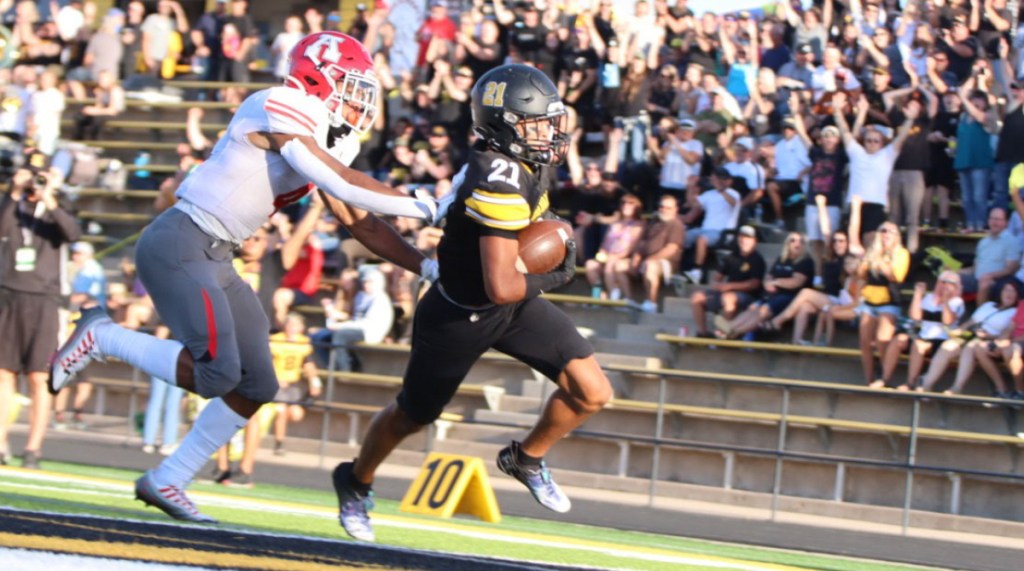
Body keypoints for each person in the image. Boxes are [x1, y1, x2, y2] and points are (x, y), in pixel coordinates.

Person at [49, 31, 439, 523]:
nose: (358, 98)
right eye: (349, 83)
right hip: (181, 243)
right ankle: (103, 335)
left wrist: (425, 266)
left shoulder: (325, 131)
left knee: (256, 386)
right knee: (217, 375)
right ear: (318, 76)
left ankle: (169, 478)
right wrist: (426, 205)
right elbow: (341, 183)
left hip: (216, 255)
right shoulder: (277, 102)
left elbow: (356, 218)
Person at [330, 64, 612, 542]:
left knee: (593, 392)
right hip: (460, 312)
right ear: (506, 127)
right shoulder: (497, 177)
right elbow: (503, 282)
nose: (550, 131)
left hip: (510, 307)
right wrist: (558, 274)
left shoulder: (526, 160)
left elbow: (516, 262)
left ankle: (525, 459)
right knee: (412, 416)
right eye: (538, 122)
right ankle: (355, 481)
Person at [0, 151, 81, 468]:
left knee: (39, 375)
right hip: (9, 295)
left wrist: (49, 197)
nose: (34, 180)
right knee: (4, 374)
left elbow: (72, 233)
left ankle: (33, 447)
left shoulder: (58, 207)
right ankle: (2, 443)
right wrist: (14, 192)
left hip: (46, 300)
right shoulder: (12, 205)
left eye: (39, 174)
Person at [917, 282, 1020, 394]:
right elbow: (971, 321)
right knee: (948, 345)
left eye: (1012, 291)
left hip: (989, 341)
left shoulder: (1015, 312)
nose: (1009, 293)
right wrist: (959, 331)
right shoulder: (988, 305)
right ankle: (927, 384)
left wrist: (987, 336)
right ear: (1000, 292)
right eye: (1006, 290)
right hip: (971, 335)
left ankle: (957, 387)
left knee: (970, 348)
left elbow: (1008, 334)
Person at [875, 272, 965, 389]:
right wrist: (917, 295)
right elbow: (915, 316)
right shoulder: (929, 298)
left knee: (919, 345)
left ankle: (911, 383)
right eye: (942, 282)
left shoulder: (957, 302)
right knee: (899, 339)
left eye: (950, 283)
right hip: (923, 335)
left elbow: (948, 321)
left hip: (941, 340)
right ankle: (884, 378)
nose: (944, 286)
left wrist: (945, 301)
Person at [718, 232, 814, 339]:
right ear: (787, 244)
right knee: (753, 308)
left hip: (790, 297)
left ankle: (733, 332)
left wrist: (775, 282)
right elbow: (769, 276)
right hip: (773, 295)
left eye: (801, 241)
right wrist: (768, 283)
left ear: (805, 245)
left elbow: (796, 282)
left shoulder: (805, 261)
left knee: (763, 310)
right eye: (793, 240)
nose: (797, 243)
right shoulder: (781, 259)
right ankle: (729, 327)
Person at [855, 221, 911, 386]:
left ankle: (884, 376)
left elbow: (896, 276)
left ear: (897, 236)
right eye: (883, 231)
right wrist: (870, 257)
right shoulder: (873, 252)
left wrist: (880, 260)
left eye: (890, 231)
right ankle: (869, 379)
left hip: (889, 301)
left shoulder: (901, 253)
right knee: (864, 342)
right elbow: (861, 274)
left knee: (882, 339)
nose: (886, 234)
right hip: (870, 300)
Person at [688, 225, 766, 338]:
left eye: (748, 237)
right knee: (697, 297)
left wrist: (729, 286)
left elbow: (754, 284)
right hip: (727, 292)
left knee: (728, 297)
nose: (744, 240)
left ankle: (724, 333)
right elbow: (716, 278)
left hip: (748, 297)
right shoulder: (731, 257)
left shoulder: (758, 260)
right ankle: (703, 333)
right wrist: (717, 285)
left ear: (755, 241)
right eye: (742, 236)